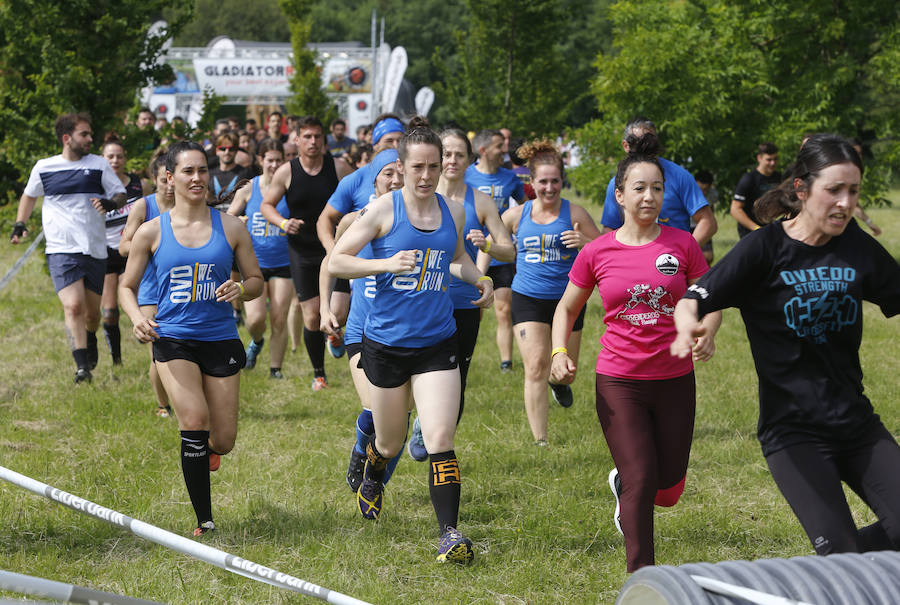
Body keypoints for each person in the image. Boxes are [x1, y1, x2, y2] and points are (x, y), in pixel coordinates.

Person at [672, 133, 900, 558]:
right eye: (834, 190)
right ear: (801, 188)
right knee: (845, 562)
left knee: (867, 546)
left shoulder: (857, 248)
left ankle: (839, 557)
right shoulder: (764, 249)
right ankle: (838, 558)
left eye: (853, 191)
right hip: (794, 434)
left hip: (857, 425)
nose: (846, 203)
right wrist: (688, 326)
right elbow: (693, 299)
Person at [552, 133, 719, 572]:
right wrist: (557, 352)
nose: (650, 197)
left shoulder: (682, 244)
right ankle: (641, 578)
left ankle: (623, 483)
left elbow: (708, 298)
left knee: (668, 489)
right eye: (640, 189)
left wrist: (707, 331)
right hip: (618, 381)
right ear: (620, 195)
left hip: (675, 380)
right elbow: (567, 308)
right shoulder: (597, 252)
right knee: (643, 481)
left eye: (657, 189)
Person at [329, 126, 494, 564]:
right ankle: (374, 472)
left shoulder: (453, 211)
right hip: (385, 345)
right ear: (401, 167)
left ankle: (450, 535)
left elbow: (455, 258)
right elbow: (337, 260)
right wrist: (384, 262)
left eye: (433, 167)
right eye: (417, 167)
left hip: (438, 342)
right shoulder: (384, 209)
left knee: (440, 436)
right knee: (389, 442)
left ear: (443, 166)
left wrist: (479, 278)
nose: (426, 176)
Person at [119, 140, 263, 537]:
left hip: (220, 338)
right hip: (174, 339)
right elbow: (126, 286)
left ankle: (207, 454)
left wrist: (242, 291)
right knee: (194, 421)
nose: (197, 178)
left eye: (203, 170)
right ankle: (205, 520)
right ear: (170, 177)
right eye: (188, 171)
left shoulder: (231, 227)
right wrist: (135, 318)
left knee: (224, 439)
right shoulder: (151, 231)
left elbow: (255, 281)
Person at [406, 127, 516, 461]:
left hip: (462, 302)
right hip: (420, 299)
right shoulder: (416, 193)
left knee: (457, 378)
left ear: (470, 160)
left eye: (459, 155)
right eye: (447, 154)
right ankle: (416, 424)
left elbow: (509, 252)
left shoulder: (479, 201)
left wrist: (488, 246)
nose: (452, 161)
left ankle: (438, 439)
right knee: (415, 370)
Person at [10, 112, 127, 383]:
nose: (90, 139)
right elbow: (29, 195)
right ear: (67, 138)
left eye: (89, 134)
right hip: (61, 249)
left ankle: (90, 337)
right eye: (84, 134)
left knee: (92, 314)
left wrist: (111, 204)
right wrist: (20, 223)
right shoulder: (44, 167)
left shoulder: (98, 164)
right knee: (73, 307)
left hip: (95, 249)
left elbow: (120, 193)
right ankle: (82, 368)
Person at [501, 139, 602, 445]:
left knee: (566, 371)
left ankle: (558, 384)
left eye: (554, 181)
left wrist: (584, 243)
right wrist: (488, 255)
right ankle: (541, 441)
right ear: (531, 183)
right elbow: (498, 236)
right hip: (527, 297)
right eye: (542, 181)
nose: (549, 187)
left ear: (562, 181)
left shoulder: (576, 213)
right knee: (535, 366)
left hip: (569, 299)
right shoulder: (517, 215)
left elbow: (603, 250)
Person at [318, 149, 407, 491]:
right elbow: (331, 264)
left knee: (398, 421)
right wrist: (326, 308)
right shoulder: (353, 220)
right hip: (362, 329)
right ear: (373, 178)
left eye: (400, 173)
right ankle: (361, 452)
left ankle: (376, 481)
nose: (395, 180)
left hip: (405, 333)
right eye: (388, 173)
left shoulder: (420, 221)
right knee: (373, 407)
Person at [260, 116, 352, 390]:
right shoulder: (287, 172)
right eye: (307, 137)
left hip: (335, 249)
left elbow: (359, 195)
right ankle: (319, 374)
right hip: (301, 250)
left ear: (324, 140)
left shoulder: (339, 167)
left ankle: (334, 335)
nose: (313, 142)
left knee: (339, 312)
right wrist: (284, 223)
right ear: (297, 140)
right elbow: (267, 206)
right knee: (312, 315)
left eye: (318, 137)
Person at [315, 114, 405, 349]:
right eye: (389, 141)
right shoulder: (356, 182)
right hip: (359, 266)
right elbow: (326, 220)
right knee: (339, 312)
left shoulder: (414, 183)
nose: (396, 146)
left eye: (400, 141)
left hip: (406, 308)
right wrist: (333, 249)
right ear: (374, 144)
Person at [226, 139, 293, 379]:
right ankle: (256, 342)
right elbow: (229, 217)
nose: (275, 164)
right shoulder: (248, 189)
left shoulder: (289, 188)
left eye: (279, 160)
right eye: (270, 159)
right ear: (260, 160)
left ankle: (276, 369)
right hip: (253, 265)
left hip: (284, 263)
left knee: (278, 317)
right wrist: (238, 221)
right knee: (255, 320)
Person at [601, 117, 717, 251]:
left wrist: (685, 254)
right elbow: (609, 229)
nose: (646, 149)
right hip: (634, 260)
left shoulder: (679, 176)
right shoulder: (617, 183)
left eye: (651, 143)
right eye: (640, 144)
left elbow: (708, 222)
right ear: (626, 146)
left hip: (672, 262)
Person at [119, 152, 176, 416]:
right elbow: (123, 246)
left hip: (183, 288)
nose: (169, 183)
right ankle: (162, 405)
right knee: (159, 349)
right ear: (154, 179)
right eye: (163, 178)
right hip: (151, 289)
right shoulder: (143, 207)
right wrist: (152, 245)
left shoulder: (189, 205)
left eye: (172, 176)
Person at [466, 129, 526, 373]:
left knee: (504, 309)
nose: (505, 149)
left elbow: (525, 208)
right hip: (469, 254)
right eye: (499, 145)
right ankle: (465, 355)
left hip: (500, 254)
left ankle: (506, 363)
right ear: (483, 150)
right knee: (474, 311)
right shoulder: (466, 177)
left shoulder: (510, 178)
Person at [100, 136, 149, 365]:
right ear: (102, 159)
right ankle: (116, 359)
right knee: (109, 312)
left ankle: (143, 328)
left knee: (138, 301)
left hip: (133, 250)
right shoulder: (96, 189)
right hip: (106, 252)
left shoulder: (139, 184)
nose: (115, 160)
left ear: (125, 158)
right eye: (110, 156)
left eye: (119, 156)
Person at [730, 142, 780, 237]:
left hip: (771, 231)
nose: (773, 163)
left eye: (775, 159)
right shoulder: (749, 179)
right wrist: (756, 229)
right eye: (769, 160)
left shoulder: (779, 177)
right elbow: (735, 209)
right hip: (750, 233)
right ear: (759, 158)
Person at [210, 131, 250, 198]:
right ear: (217, 151)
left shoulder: (246, 173)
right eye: (223, 149)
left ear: (236, 151)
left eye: (231, 149)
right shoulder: (209, 174)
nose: (227, 152)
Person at [693, 169, 718, 264]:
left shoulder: (713, 194)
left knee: (708, 257)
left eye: (705, 189)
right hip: (687, 225)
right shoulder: (687, 192)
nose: (703, 192)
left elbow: (711, 208)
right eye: (700, 189)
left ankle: (706, 277)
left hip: (703, 224)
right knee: (691, 255)